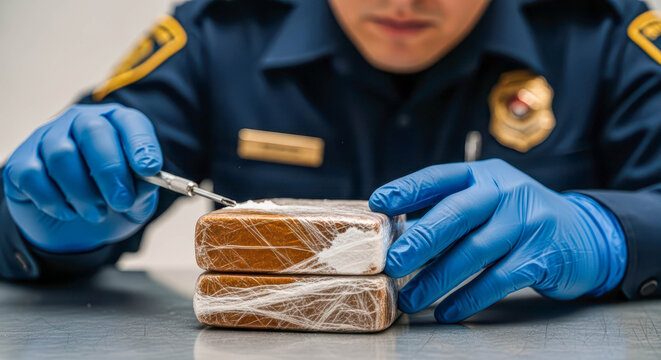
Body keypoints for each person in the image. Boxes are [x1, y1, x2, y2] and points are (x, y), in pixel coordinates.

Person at [2, 0, 660, 323]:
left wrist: (609, 233)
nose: (404, 1)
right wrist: (45, 230)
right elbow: (77, 175)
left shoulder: (598, 32)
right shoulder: (226, 29)